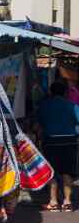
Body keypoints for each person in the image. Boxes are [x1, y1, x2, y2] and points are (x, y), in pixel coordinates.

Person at [36, 80, 79, 212]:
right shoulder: (72, 105)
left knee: (52, 171)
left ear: (50, 91)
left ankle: (53, 202)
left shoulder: (44, 105)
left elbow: (39, 123)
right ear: (65, 92)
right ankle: (67, 202)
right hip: (70, 141)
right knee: (67, 171)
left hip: (51, 141)